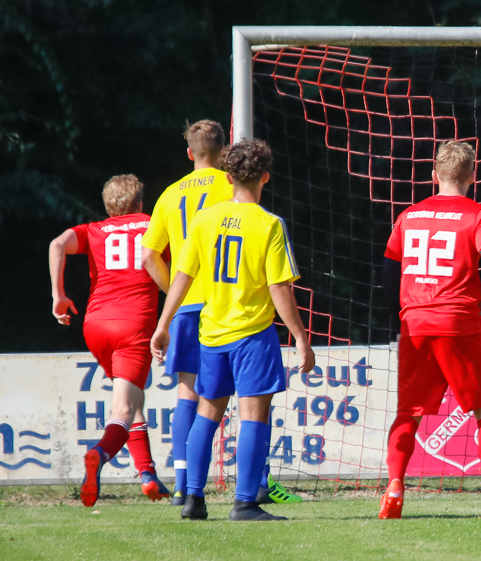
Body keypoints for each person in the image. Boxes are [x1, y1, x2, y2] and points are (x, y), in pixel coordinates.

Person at [150, 139, 315, 521]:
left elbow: (183, 276)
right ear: (266, 177)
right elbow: (279, 288)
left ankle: (193, 498)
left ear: (228, 178)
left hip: (211, 334)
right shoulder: (269, 224)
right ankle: (244, 503)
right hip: (252, 336)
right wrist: (300, 338)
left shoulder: (204, 220)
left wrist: (163, 324)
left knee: (207, 414)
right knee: (254, 416)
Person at [379, 140, 481, 520]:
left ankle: (395, 486)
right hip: (457, 322)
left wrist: (401, 316)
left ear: (434, 175)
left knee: (408, 413)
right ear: (472, 176)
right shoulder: (478, 214)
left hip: (416, 323)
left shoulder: (409, 215)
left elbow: (389, 271)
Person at [49, 175, 169, 505]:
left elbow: (57, 244)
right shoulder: (153, 225)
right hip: (134, 324)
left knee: (131, 398)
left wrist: (58, 296)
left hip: (96, 324)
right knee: (125, 408)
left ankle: (148, 475)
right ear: (140, 202)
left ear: (107, 206)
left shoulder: (95, 230)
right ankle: (99, 454)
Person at [141, 121, 239, 503]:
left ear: (189, 153)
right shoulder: (231, 185)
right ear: (224, 151)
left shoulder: (170, 194)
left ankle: (183, 484)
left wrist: (175, 295)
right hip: (225, 303)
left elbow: (149, 255)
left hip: (186, 305)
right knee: (236, 394)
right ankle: (254, 481)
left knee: (187, 391)